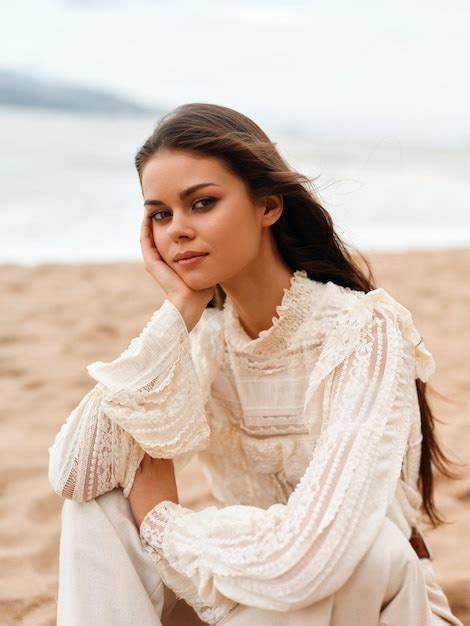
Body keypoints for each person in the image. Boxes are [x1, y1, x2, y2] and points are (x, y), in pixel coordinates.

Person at [48, 103, 463, 626]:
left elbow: (317, 559)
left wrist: (160, 523)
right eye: (160, 214)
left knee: (369, 549)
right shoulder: (205, 343)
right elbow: (74, 475)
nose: (177, 229)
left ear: (267, 206)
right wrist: (178, 311)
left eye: (202, 203)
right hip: (256, 594)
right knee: (98, 502)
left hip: (375, 604)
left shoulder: (363, 330)